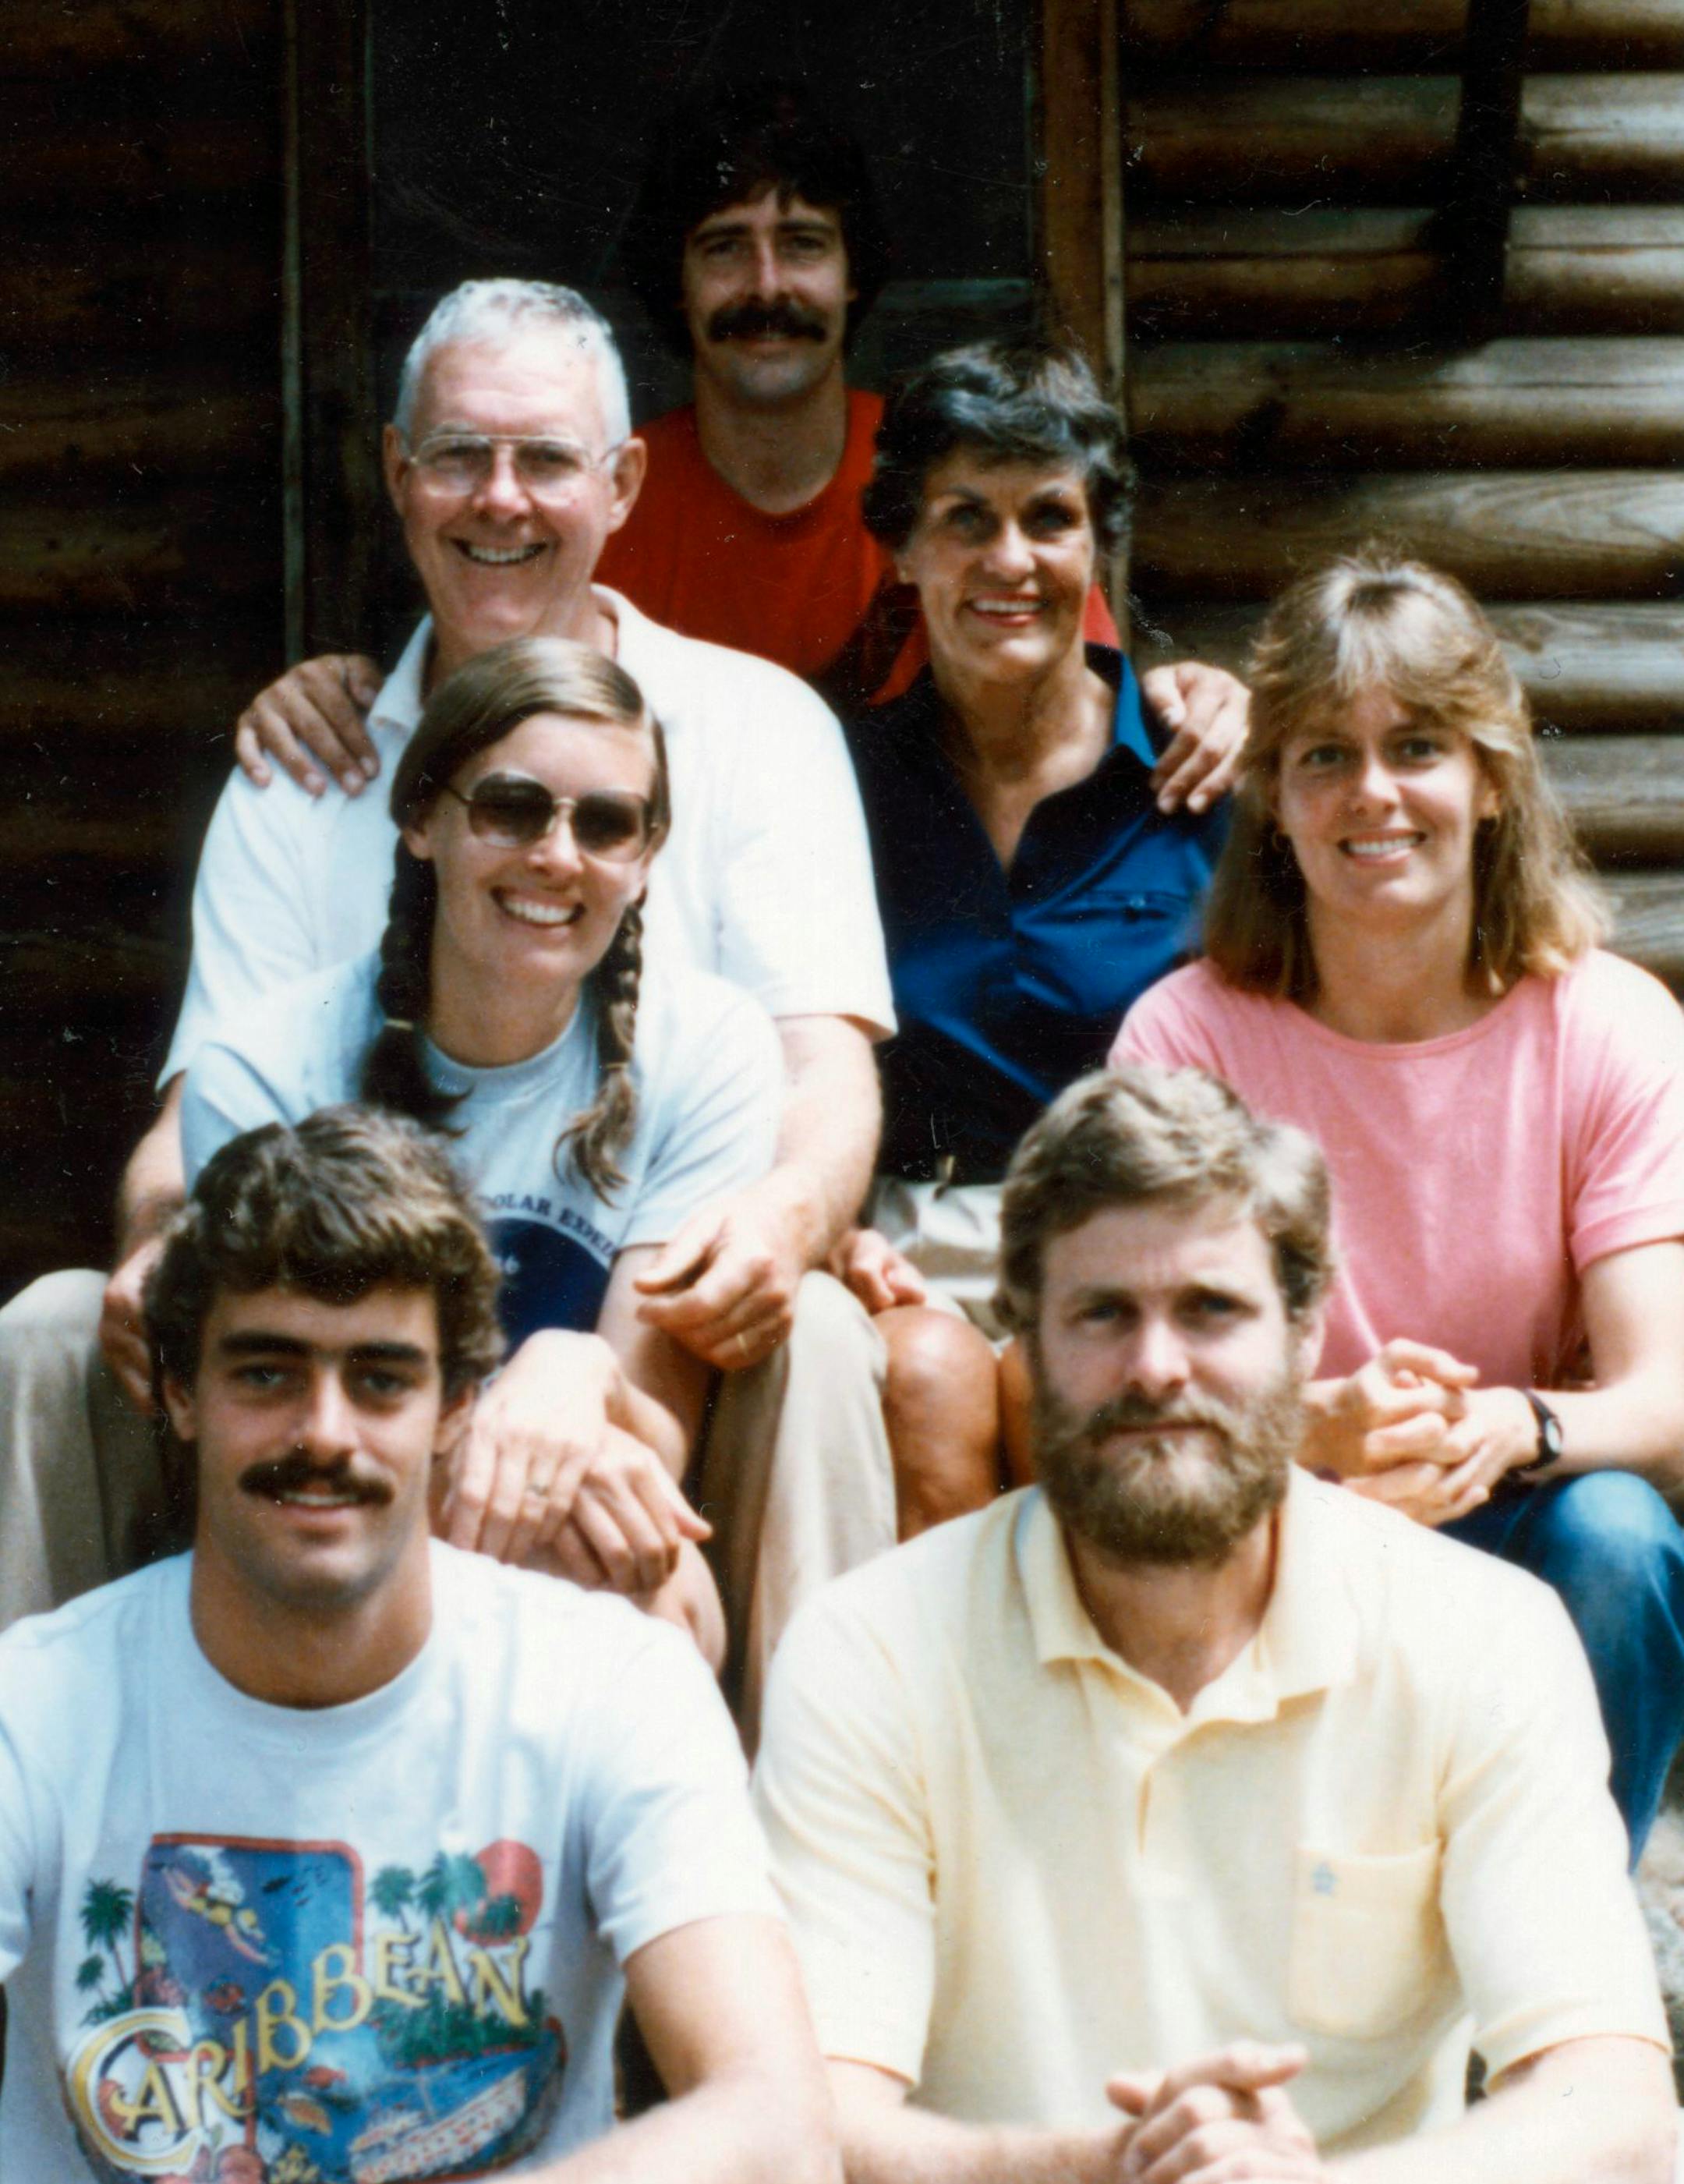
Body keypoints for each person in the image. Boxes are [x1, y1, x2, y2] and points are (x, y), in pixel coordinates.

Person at [0, 281, 896, 1734]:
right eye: (460, 455)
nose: (502, 499)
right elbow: (197, 1135)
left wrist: (771, 1238)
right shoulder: (310, 768)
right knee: (46, 1330)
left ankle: (808, 1860)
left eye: (546, 459)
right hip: (339, 1356)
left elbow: (823, 1077)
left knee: (826, 1337)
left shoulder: (758, 727)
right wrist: (160, 1252)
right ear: (398, 477)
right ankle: (32, 1832)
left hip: (646, 1316)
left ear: (622, 485)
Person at [755, 1064, 1676, 2183]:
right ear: (1029, 1350)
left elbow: (1615, 2105)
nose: (1156, 1367)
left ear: (1303, 1335)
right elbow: (811, 2120)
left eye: (1210, 1309)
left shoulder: (1483, 1635)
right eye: (1102, 1313)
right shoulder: (873, 1650)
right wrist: (1100, 2168)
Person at [0, 1107, 838, 2184]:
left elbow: (779, 2125)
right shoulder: (33, 1704)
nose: (327, 1433)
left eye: (382, 1378)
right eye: (266, 1372)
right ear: (177, 1391)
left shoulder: (610, 1683)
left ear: (457, 1409)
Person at [1113, 550, 1684, 1857]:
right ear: (1275, 801)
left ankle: (1556, 1952)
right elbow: (1138, 1386)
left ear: (1488, 780)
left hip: (1520, 1489)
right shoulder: (1184, 1039)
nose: (1374, 793)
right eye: (1324, 754)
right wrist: (1319, 1435)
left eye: (1417, 745)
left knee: (1621, 1536)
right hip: (1282, 1500)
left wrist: (1502, 1424)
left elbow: (1662, 1400)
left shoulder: (1607, 1025)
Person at [239, 82, 1246, 800]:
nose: (767, 287)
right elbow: (470, 670)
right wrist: (340, 690)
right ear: (675, 284)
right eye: (726, 248)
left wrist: (1196, 697)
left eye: (803, 244)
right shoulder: (592, 497)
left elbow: (1087, 696)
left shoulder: (951, 480)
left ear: (856, 275)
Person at [182, 635, 785, 1659]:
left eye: (605, 824)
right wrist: (509, 1429)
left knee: (655, 1579)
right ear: (422, 818)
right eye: (511, 808)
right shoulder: (266, 1062)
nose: (557, 856)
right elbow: (294, 1414)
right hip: (328, 1499)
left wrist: (579, 1367)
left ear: (643, 861)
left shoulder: (709, 1048)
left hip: (573, 1497)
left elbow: (659, 1431)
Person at [831, 342, 1227, 1535]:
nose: (1011, 560)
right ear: (903, 546)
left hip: (1137, 1248)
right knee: (921, 1384)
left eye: (1049, 518)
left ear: (1097, 542)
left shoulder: (1202, 776)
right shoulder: (834, 780)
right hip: (906, 1252)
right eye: (966, 519)